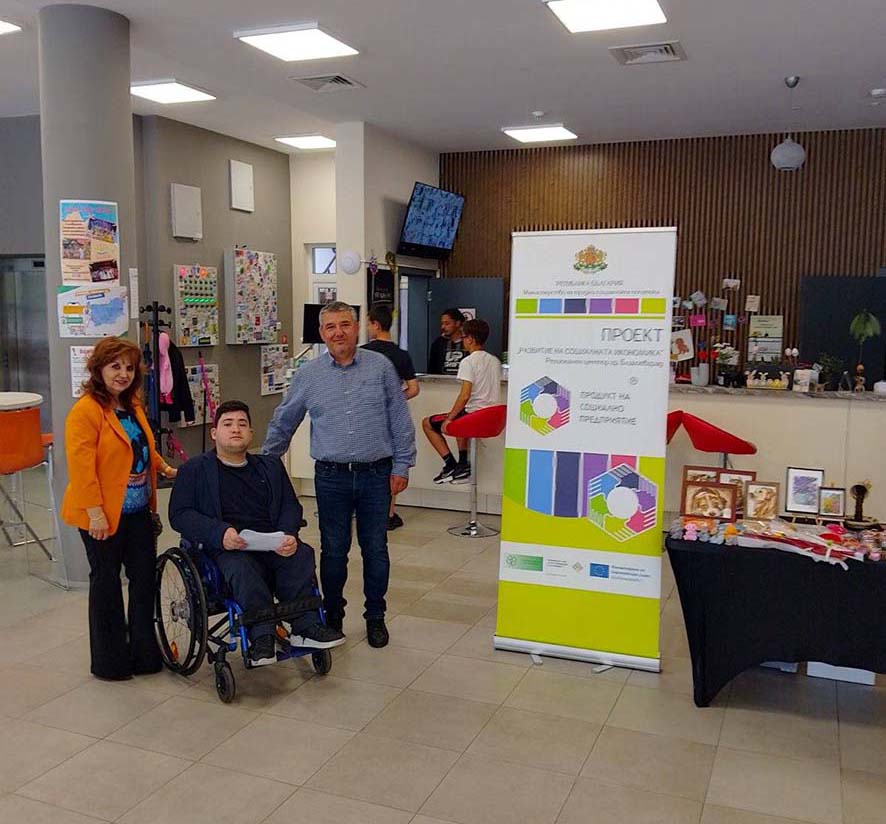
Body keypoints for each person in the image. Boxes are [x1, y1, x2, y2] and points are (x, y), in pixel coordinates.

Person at [263, 301, 416, 649]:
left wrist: (402, 465)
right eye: (330, 327)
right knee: (333, 551)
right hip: (331, 477)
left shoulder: (380, 367)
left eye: (345, 325)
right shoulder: (309, 374)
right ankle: (332, 617)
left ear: (357, 327)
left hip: (376, 474)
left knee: (375, 548)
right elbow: (285, 419)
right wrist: (265, 464)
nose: (338, 333)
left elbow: (399, 420)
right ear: (322, 333)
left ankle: (375, 617)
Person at [169, 401, 345, 666]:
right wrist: (220, 533)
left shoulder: (270, 466)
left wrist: (288, 534)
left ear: (251, 433)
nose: (236, 429)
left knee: (300, 554)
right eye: (228, 424)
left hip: (270, 542)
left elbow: (290, 506)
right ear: (214, 433)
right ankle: (261, 635)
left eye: (242, 424)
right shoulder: (194, 470)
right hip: (227, 547)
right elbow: (180, 514)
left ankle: (305, 627)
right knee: (242, 567)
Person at [61, 337, 178, 681]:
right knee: (107, 583)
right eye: (115, 366)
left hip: (138, 510)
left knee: (143, 580)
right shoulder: (85, 411)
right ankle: (110, 661)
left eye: (129, 367)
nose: (123, 374)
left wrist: (164, 467)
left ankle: (144, 653)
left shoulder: (132, 405)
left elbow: (142, 447)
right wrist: (95, 513)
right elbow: (81, 469)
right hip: (101, 514)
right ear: (98, 369)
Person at [422, 318, 502, 484]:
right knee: (461, 415)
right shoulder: (495, 361)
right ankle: (462, 464)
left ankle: (451, 464)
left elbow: (465, 395)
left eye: (464, 337)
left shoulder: (468, 362)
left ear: (470, 339)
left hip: (474, 416)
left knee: (428, 423)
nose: (463, 340)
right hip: (492, 418)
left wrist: (450, 418)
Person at [363, 302, 419, 531]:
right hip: (391, 419)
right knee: (391, 463)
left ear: (375, 324)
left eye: (368, 324)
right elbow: (414, 389)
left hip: (365, 416)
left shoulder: (362, 353)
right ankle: (388, 513)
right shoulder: (401, 355)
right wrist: (394, 401)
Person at [428, 307, 466, 375]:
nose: (443, 327)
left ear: (457, 323)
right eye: (442, 324)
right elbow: (432, 370)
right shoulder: (438, 343)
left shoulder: (468, 342)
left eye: (447, 323)